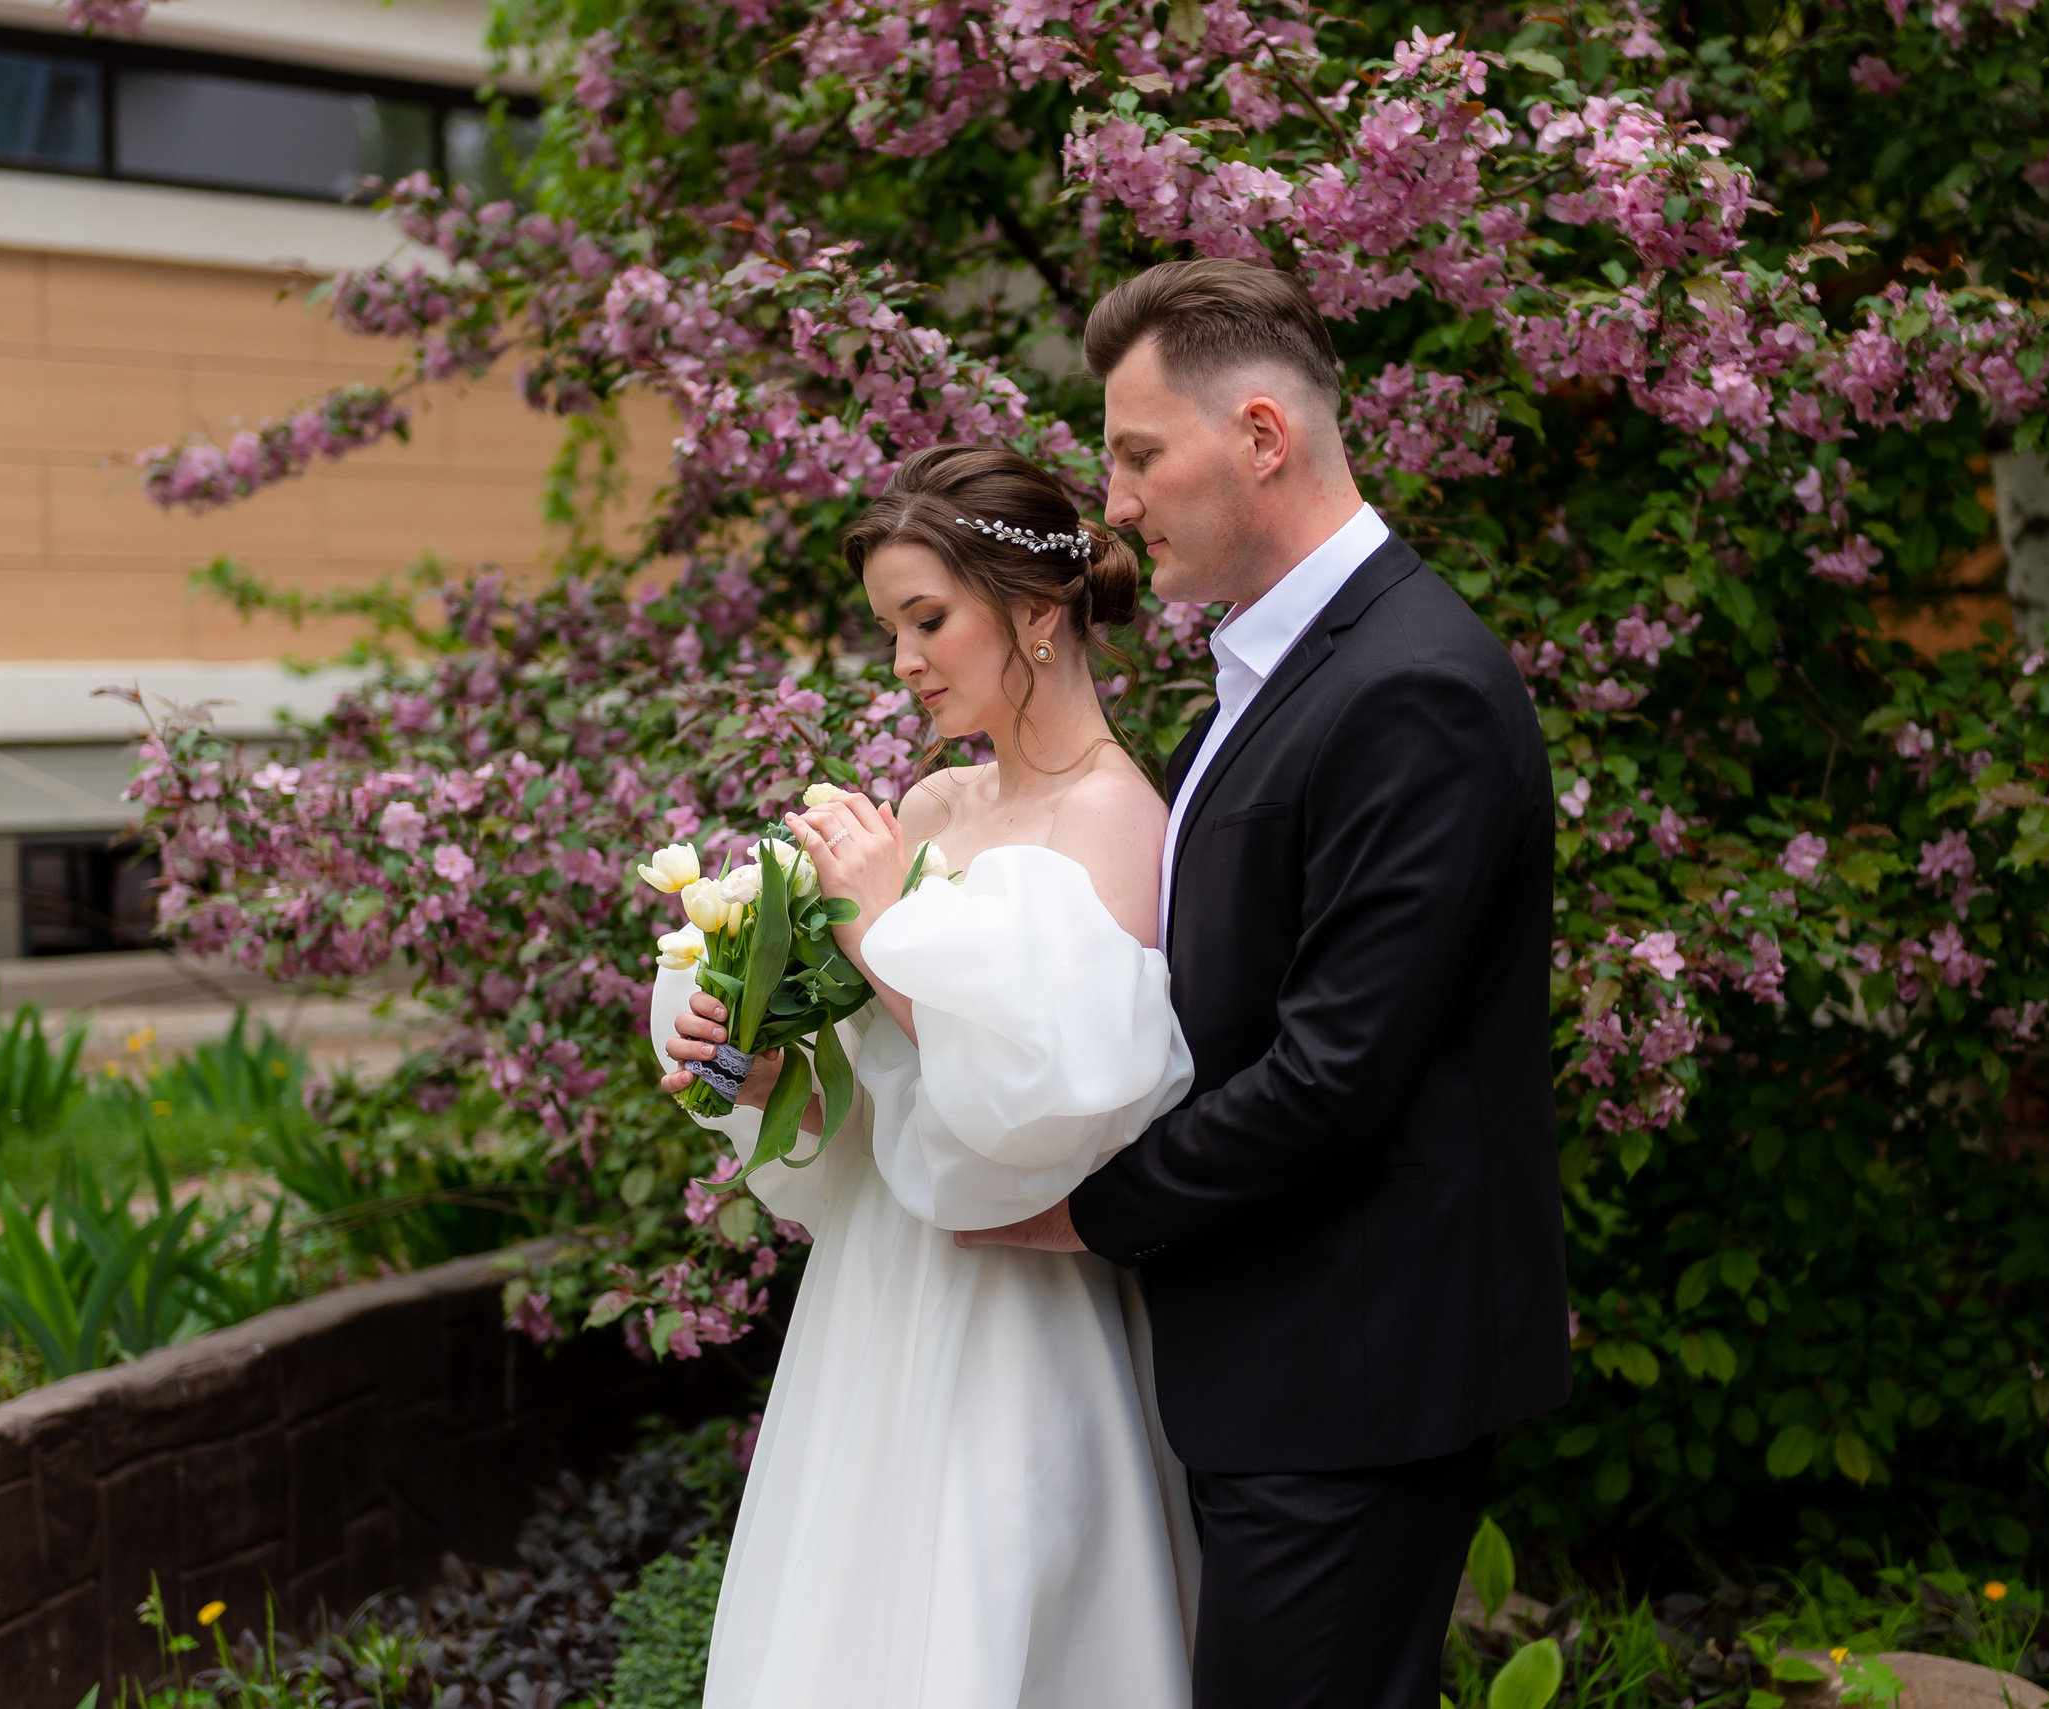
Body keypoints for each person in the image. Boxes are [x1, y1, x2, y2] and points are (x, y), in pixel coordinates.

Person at [957, 257, 1574, 1709]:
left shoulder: (1412, 687)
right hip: (1287, 1367)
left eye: (1136, 453)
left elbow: (1334, 1078)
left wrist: (1086, 1212)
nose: (1112, 502)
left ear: (1260, 437)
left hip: (1352, 1379)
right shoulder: (1280, 674)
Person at [655, 443, 1201, 1709]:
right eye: (889, 627)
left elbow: (1064, 1095)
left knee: (989, 1617)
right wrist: (749, 1057)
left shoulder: (1116, 820)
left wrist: (878, 918)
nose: (902, 659)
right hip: (882, 1288)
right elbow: (865, 1086)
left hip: (1022, 1299)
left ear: (1036, 609)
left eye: (926, 618)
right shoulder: (936, 807)